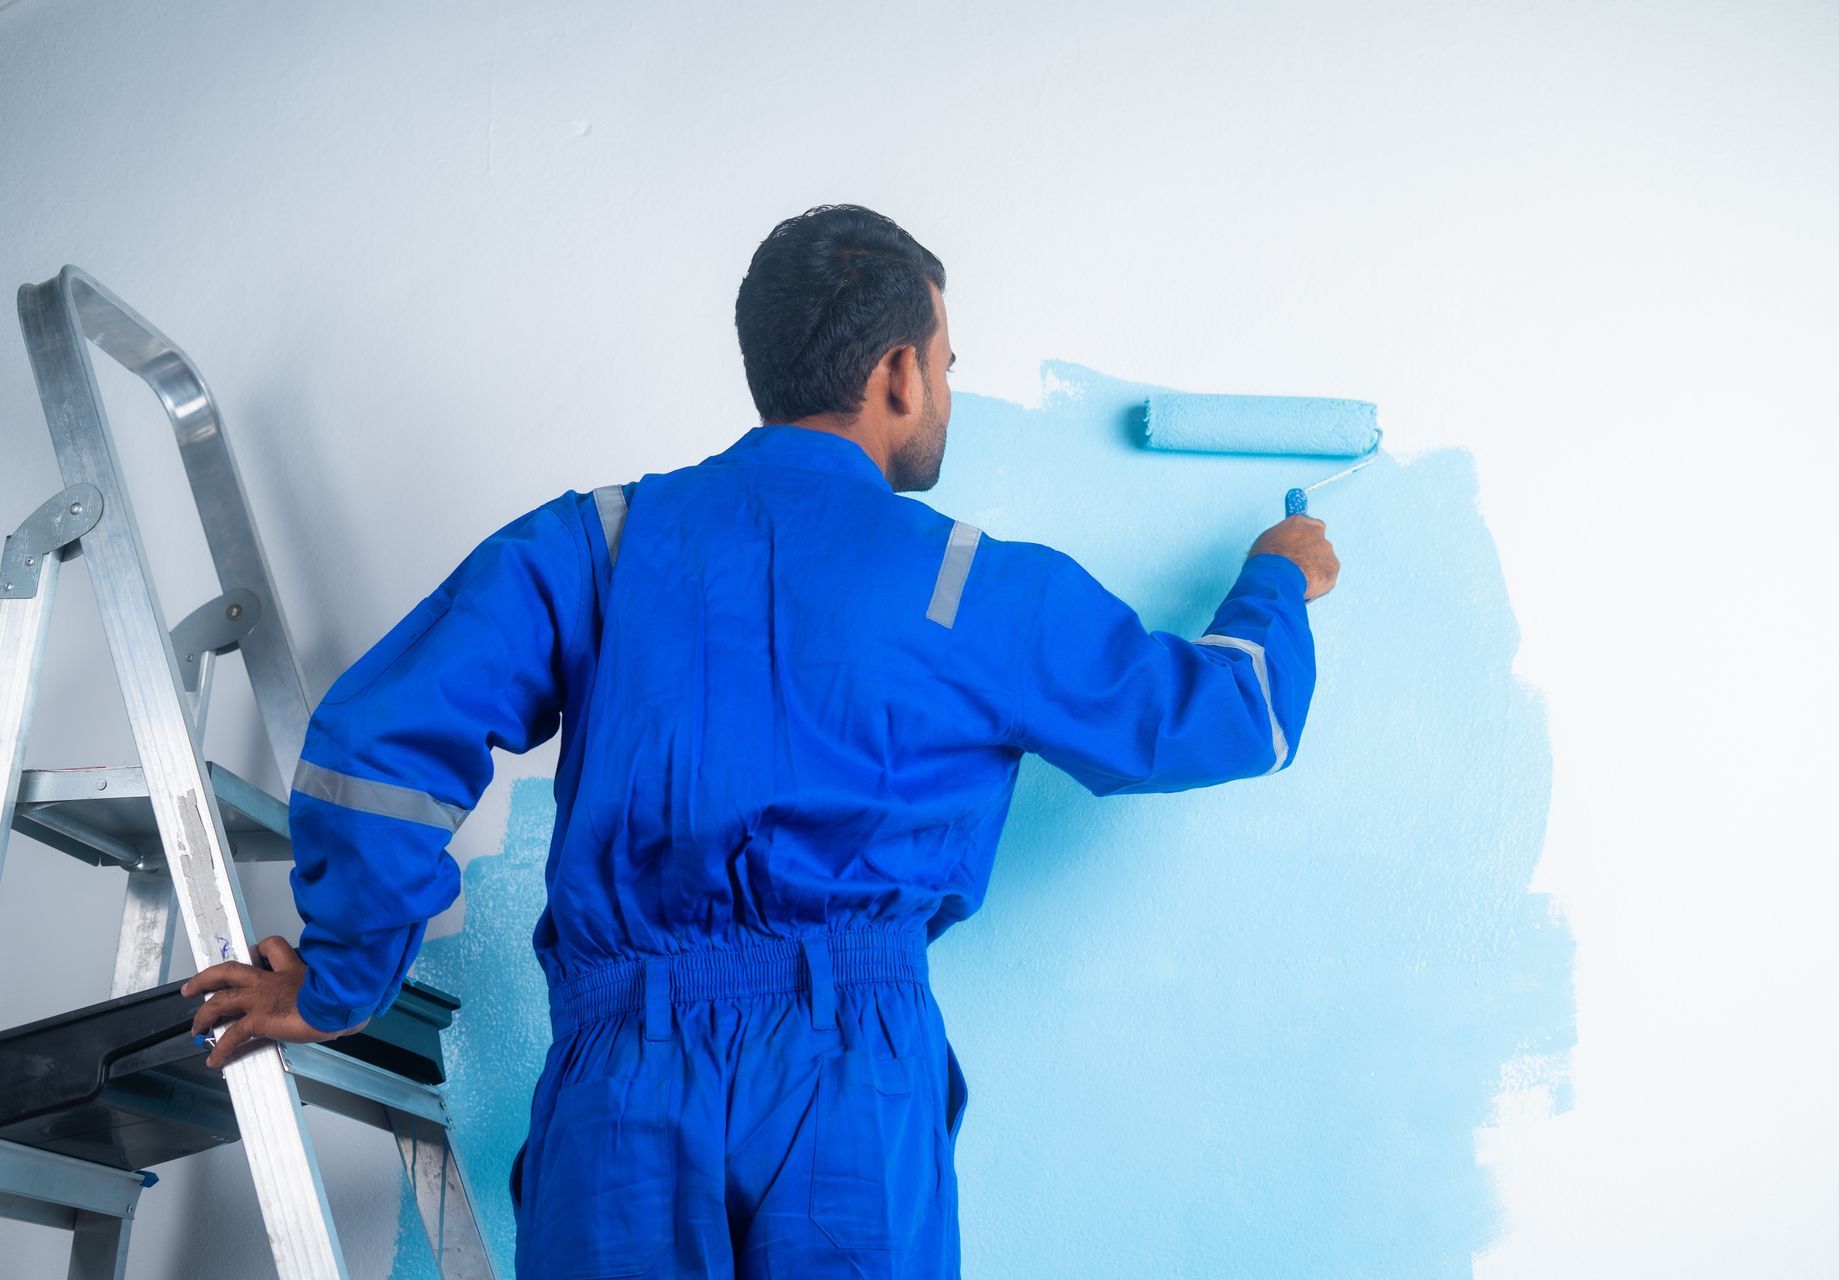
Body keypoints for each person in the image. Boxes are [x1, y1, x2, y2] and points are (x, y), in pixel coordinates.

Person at [182, 203, 1339, 1278]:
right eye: (945, 363)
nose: (944, 388)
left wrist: (342, 977)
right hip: (850, 1086)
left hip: (619, 1087)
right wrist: (1276, 580)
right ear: (896, 370)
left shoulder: (607, 542)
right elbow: (1228, 715)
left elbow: (380, 741)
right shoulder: (968, 586)